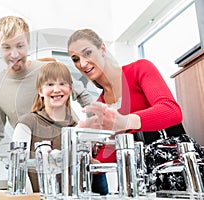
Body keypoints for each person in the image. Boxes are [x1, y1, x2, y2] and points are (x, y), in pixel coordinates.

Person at [0, 16, 92, 192]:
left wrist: (91, 135)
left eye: (19, 46)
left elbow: (84, 95)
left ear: (27, 43)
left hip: (72, 153)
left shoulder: (49, 68)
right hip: (34, 162)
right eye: (6, 47)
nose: (14, 54)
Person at [67, 28, 204, 191]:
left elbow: (171, 111)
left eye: (87, 53)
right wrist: (88, 157)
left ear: (102, 48)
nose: (82, 64)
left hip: (178, 171)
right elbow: (110, 154)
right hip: (143, 184)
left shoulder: (139, 69)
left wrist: (125, 121)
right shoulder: (101, 103)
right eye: (76, 59)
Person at [13, 61, 108, 195]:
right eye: (50, 84)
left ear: (70, 89)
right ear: (40, 91)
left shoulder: (76, 128)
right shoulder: (26, 124)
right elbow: (19, 172)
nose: (56, 89)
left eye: (62, 84)